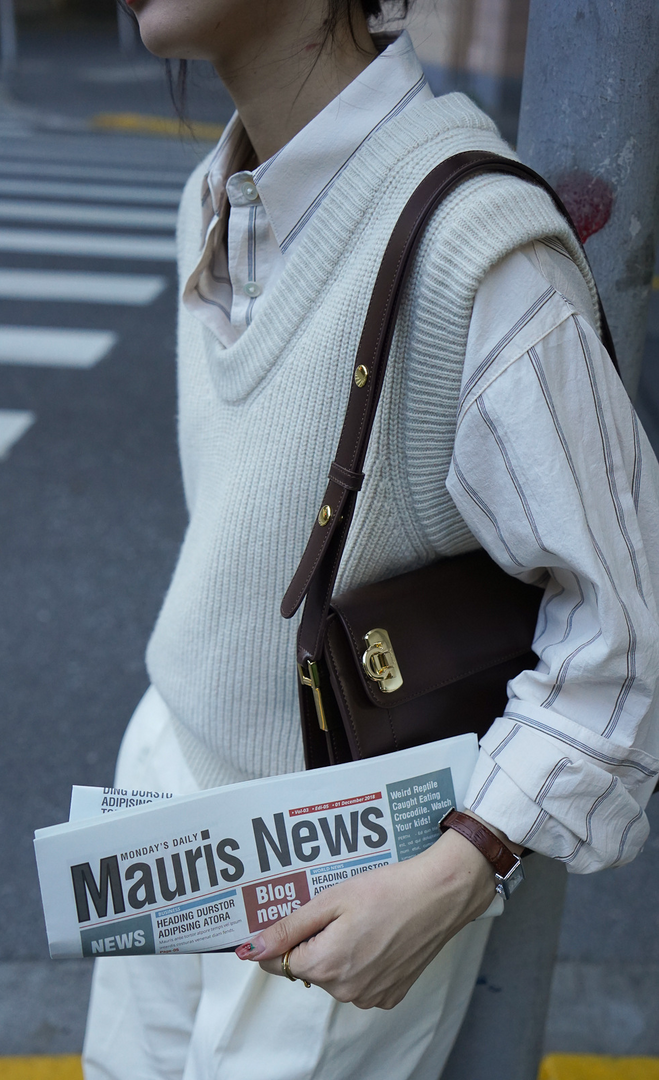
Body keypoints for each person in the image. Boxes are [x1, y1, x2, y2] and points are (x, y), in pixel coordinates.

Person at [82, 1, 659, 1077]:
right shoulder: (214, 198)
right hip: (170, 789)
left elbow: (632, 643)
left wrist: (458, 872)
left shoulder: (473, 252)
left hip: (342, 861)